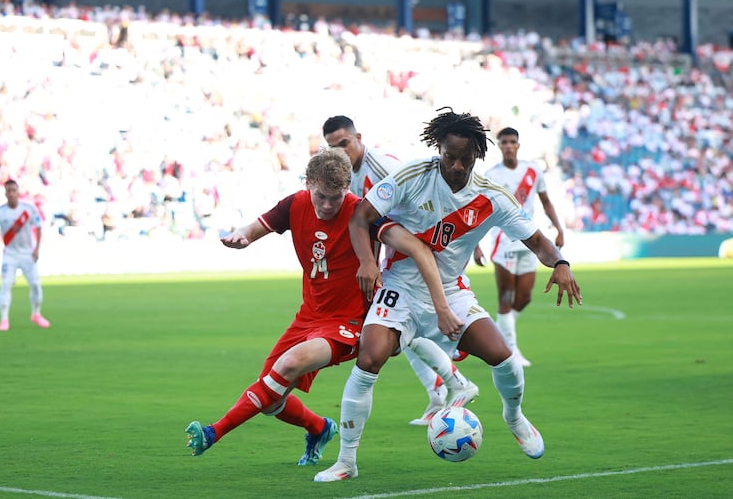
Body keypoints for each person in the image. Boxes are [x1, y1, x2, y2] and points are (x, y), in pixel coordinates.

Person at [314, 108, 581, 482]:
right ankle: (346, 461)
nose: (456, 166)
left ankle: (514, 416)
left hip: (453, 290)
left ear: (477, 156)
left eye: (465, 159)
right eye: (450, 156)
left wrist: (561, 263)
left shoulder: (492, 197)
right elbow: (361, 217)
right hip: (400, 288)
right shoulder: (411, 175)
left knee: (503, 357)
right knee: (369, 357)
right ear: (439, 148)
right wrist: (367, 263)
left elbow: (537, 240)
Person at [184, 147, 455, 466]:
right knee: (270, 400)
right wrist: (242, 236)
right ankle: (319, 427)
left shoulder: (361, 212)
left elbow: (409, 244)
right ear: (308, 183)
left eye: (335, 198)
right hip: (308, 316)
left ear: (347, 189)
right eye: (321, 197)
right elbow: (256, 228)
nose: (327, 205)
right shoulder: (294, 204)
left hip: (350, 322)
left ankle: (213, 432)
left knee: (286, 366)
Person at [323, 115, 478, 426]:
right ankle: (443, 389)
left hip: (412, 258)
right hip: (390, 256)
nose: (340, 151)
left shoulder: (383, 167)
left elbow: (423, 202)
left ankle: (454, 382)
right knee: (397, 331)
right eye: (332, 147)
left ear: (358, 138)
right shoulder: (345, 174)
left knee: (397, 329)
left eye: (344, 144)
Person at [472, 127, 565, 367]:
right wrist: (476, 245)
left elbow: (546, 202)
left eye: (513, 142)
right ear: (499, 146)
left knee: (524, 297)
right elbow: (479, 210)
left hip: (528, 241)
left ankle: (500, 328)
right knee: (506, 297)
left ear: (518, 145)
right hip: (502, 242)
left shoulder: (532, 170)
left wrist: (559, 228)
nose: (509, 146)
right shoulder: (491, 175)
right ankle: (511, 350)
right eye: (504, 142)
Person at [0, 179, 50, 331]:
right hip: (10, 255)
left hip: (27, 254)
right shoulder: (0, 212)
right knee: (5, 285)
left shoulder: (28, 209)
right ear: (5, 193)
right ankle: (4, 319)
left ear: (18, 192)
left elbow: (39, 227)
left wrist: (37, 248)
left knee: (35, 285)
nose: (11, 193)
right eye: (8, 191)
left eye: (14, 190)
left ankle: (36, 314)